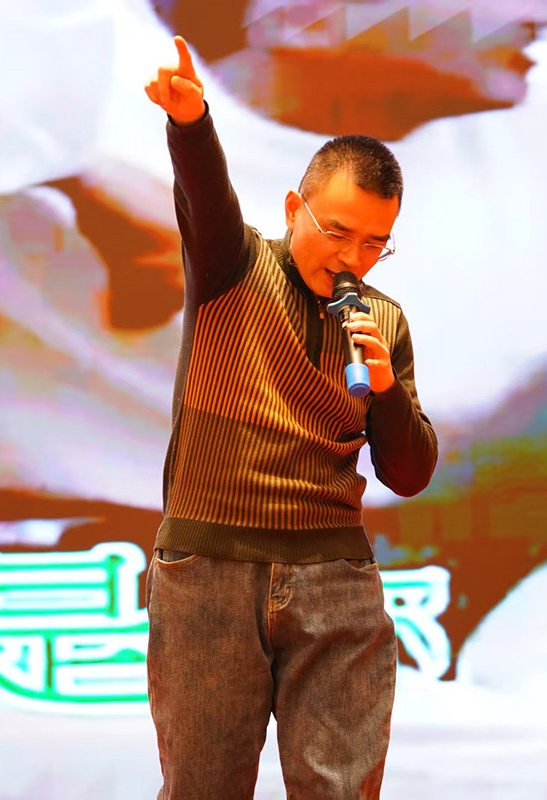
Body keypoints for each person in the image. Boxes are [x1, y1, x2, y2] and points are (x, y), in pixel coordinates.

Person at [142, 35, 439, 797]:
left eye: (374, 244)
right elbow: (205, 196)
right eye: (336, 232)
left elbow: (409, 473)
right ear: (292, 210)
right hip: (209, 568)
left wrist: (385, 389)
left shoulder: (384, 321)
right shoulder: (233, 267)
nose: (352, 259)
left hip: (335, 577)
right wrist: (191, 123)